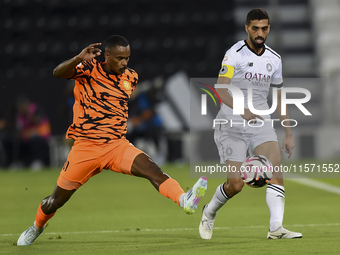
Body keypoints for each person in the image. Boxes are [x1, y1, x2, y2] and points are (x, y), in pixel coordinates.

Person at [17, 35, 207, 246]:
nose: (125, 63)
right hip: (86, 148)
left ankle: (184, 200)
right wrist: (79, 57)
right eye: (120, 58)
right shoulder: (88, 69)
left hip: (116, 146)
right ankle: (37, 226)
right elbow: (57, 73)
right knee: (55, 201)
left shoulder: (131, 77)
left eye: (127, 58)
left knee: (152, 169)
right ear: (107, 56)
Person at [199, 9, 302, 240]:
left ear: (268, 29)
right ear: (247, 28)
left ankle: (276, 228)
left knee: (276, 172)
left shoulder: (274, 59)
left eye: (264, 28)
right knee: (235, 185)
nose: (260, 33)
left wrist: (288, 133)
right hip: (232, 123)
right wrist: (241, 110)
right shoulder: (234, 54)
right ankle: (209, 211)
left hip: (260, 123)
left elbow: (278, 96)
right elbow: (221, 88)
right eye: (255, 28)